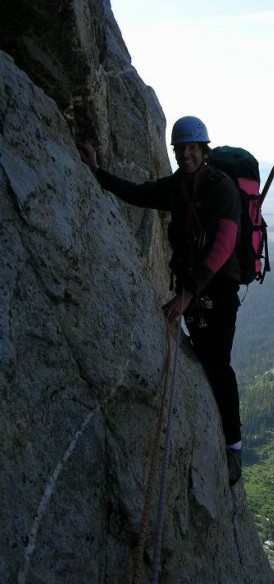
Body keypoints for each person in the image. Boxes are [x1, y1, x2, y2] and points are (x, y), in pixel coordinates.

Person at [79, 116, 243, 485]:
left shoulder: (222, 190)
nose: (186, 154)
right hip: (192, 294)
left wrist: (186, 294)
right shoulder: (177, 186)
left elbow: (222, 249)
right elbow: (139, 193)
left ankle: (234, 448)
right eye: (180, 148)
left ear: (203, 150)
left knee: (218, 366)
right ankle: (216, 431)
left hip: (217, 294)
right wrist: (96, 173)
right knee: (202, 363)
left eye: (192, 148)